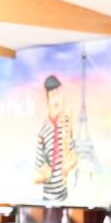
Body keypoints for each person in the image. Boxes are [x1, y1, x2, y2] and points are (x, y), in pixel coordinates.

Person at [34, 74, 78, 203]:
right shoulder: (43, 132)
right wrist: (43, 176)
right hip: (48, 199)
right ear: (47, 100)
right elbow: (36, 175)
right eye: (52, 95)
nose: (56, 100)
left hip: (64, 197)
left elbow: (73, 155)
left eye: (57, 94)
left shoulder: (65, 124)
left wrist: (69, 165)